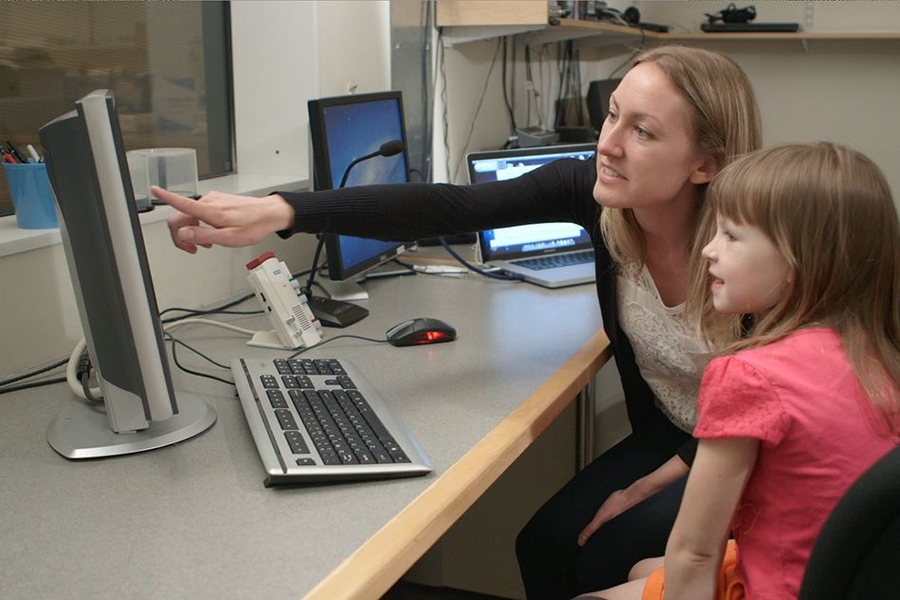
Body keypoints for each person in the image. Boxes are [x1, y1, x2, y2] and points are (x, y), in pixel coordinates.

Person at [153, 45, 762, 598]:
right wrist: (283, 210)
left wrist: (656, 483)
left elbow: (776, 389)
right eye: (612, 115)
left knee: (605, 552)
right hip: (669, 436)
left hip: (752, 450)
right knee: (544, 544)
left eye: (643, 131)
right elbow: (452, 205)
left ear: (705, 164)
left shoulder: (757, 247)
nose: (609, 143)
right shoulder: (597, 197)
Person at [578, 142, 900, 600]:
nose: (708, 249)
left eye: (730, 234)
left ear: (795, 261)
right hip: (843, 577)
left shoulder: (750, 375)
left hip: (781, 586)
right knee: (642, 568)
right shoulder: (881, 354)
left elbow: (694, 553)